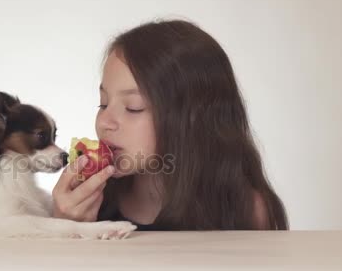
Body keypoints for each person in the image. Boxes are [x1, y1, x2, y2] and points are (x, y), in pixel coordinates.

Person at [52, 19, 289, 230]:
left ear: (193, 119)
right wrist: (63, 231)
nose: (104, 122)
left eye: (133, 107)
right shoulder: (86, 204)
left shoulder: (246, 211)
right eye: (103, 104)